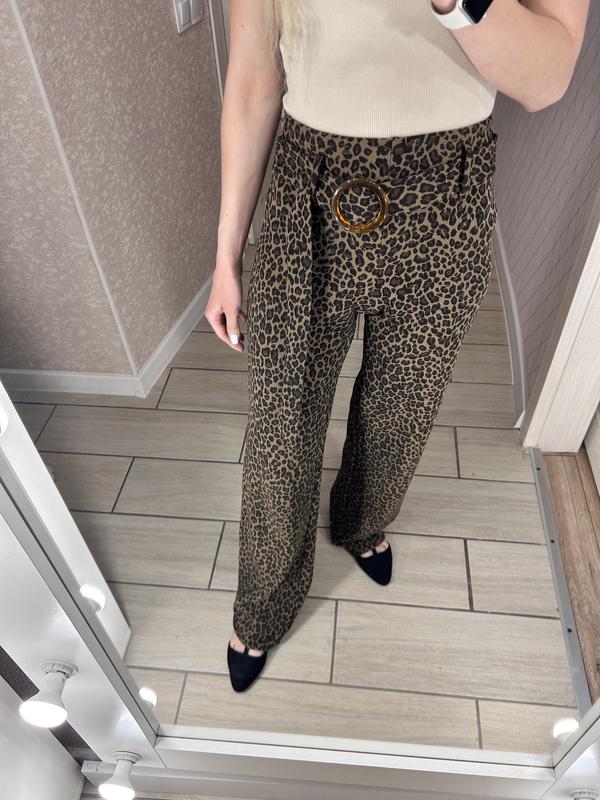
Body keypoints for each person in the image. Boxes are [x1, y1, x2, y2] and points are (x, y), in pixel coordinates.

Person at [204, 0, 589, 692]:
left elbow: (547, 79)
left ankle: (361, 519)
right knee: (281, 423)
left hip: (448, 190)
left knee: (401, 407)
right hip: (308, 184)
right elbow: (255, 77)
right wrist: (226, 254)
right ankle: (263, 603)